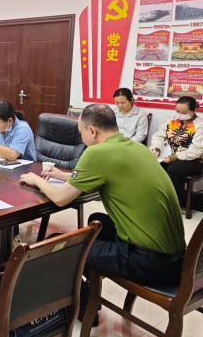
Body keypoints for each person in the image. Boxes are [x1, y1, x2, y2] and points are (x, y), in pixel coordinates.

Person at [19, 104, 185, 289]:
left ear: (92, 131)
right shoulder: (139, 148)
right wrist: (62, 175)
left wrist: (36, 179)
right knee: (98, 221)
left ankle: (79, 300)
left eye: (81, 132)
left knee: (57, 245)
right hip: (175, 258)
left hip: (148, 262)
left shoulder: (96, 153)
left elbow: (60, 198)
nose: (82, 138)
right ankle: (90, 284)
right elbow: (108, 174)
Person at [149, 96, 203, 206]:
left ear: (193, 111)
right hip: (169, 155)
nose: (179, 114)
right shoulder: (171, 120)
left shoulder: (199, 126)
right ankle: (156, 200)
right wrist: (157, 149)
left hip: (194, 160)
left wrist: (174, 157)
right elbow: (159, 136)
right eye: (177, 111)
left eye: (184, 112)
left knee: (174, 169)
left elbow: (196, 150)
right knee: (154, 165)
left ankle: (174, 204)